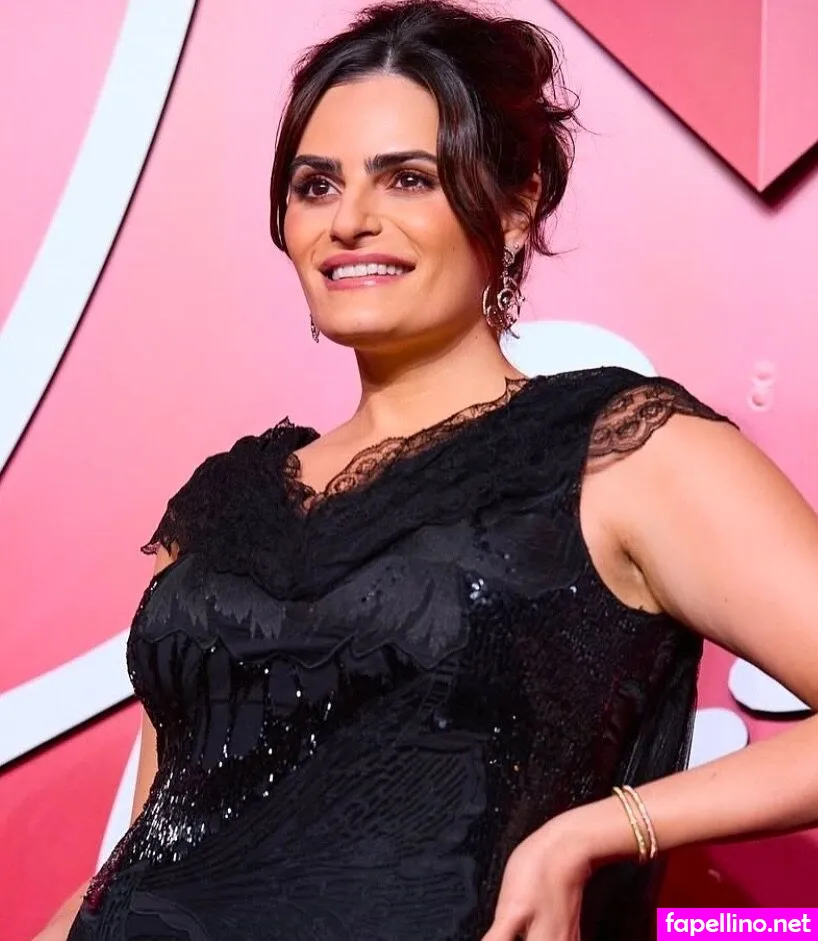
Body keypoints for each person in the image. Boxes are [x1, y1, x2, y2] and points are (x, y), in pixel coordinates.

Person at [36, 1, 818, 939]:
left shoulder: (620, 452)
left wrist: (594, 832)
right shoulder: (222, 505)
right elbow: (152, 845)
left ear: (517, 204)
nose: (350, 221)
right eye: (316, 186)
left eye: (408, 178)